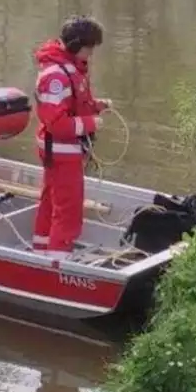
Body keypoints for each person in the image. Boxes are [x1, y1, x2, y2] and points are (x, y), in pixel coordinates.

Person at [31, 17, 112, 259]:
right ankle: (57, 261)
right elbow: (57, 123)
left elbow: (75, 105)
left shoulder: (69, 68)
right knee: (68, 211)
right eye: (89, 48)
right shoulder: (56, 77)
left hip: (61, 152)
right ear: (78, 45)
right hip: (61, 152)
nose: (91, 54)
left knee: (51, 203)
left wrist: (97, 106)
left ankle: (41, 252)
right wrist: (90, 123)